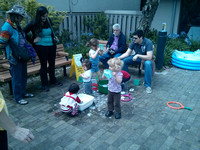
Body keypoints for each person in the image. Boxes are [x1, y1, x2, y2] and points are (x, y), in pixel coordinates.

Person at [0, 5, 34, 105]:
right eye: (21, 16)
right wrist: (5, 53)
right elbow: (2, 43)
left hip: (21, 55)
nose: (22, 19)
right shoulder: (7, 27)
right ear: (15, 15)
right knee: (17, 77)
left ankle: (23, 93)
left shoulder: (16, 25)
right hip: (14, 56)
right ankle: (18, 97)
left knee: (23, 75)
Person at [23, 6, 62, 92]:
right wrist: (32, 41)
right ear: (39, 16)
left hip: (51, 46)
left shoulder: (48, 21)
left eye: (46, 16)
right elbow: (23, 32)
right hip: (41, 47)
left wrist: (54, 38)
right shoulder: (34, 23)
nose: (45, 18)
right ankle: (44, 84)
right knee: (44, 65)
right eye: (43, 16)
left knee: (52, 64)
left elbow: (51, 32)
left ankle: (53, 80)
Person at [118, 30, 154, 94]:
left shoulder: (148, 42)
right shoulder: (133, 42)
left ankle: (148, 86)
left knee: (148, 64)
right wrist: (118, 58)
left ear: (141, 37)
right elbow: (127, 53)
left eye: (135, 38)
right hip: (136, 58)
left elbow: (149, 57)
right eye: (133, 38)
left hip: (145, 59)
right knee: (124, 61)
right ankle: (125, 80)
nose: (134, 39)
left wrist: (138, 55)